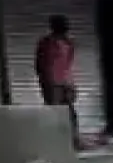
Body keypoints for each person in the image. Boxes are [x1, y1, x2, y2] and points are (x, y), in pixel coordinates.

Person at [35, 15, 82, 149]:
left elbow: (68, 64)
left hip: (65, 82)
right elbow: (39, 64)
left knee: (70, 112)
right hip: (52, 83)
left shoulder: (69, 43)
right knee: (54, 112)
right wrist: (44, 82)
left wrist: (71, 84)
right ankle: (55, 141)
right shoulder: (46, 42)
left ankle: (73, 139)